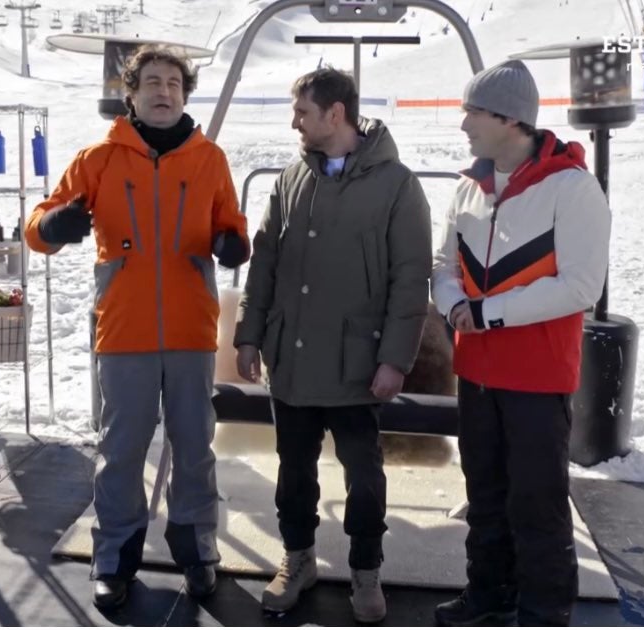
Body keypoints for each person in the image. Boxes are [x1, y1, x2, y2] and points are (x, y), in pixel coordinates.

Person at [24, 44, 250, 610]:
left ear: (184, 93)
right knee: (121, 449)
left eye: (173, 83)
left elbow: (232, 221)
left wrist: (232, 242)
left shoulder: (209, 160)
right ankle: (115, 557)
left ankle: (197, 550)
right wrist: (56, 222)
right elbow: (36, 228)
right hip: (123, 329)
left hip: (192, 329)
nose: (163, 91)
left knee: (195, 445)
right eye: (152, 81)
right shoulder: (99, 158)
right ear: (132, 93)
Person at [233, 67, 432, 623]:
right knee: (293, 473)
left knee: (364, 478)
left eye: (302, 112)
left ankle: (366, 571)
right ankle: (298, 561)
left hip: (357, 367)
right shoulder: (292, 176)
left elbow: (410, 278)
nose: (295, 122)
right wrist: (249, 336)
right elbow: (265, 261)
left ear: (335, 114)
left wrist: (396, 359)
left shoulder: (397, 185)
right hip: (292, 362)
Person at [431, 59, 611, 626]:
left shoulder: (573, 187)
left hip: (536, 375)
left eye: (473, 113)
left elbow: (581, 286)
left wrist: (488, 313)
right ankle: (488, 594)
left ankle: (543, 612)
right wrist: (452, 303)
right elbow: (442, 262)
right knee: (484, 493)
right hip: (476, 370)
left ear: (510, 119)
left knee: (536, 503)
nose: (464, 125)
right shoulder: (468, 185)